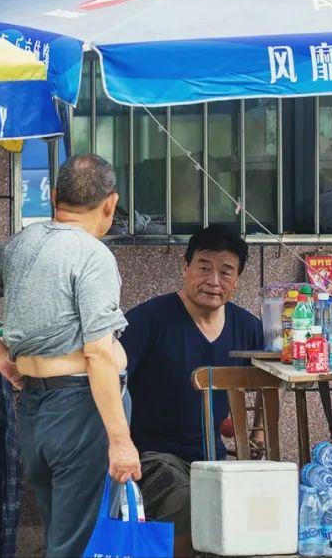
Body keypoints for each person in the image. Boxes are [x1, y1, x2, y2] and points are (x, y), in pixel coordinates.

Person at [0, 154, 140, 558]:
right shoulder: (93, 255)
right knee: (78, 544)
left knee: (59, 537)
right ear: (110, 204)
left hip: (34, 408)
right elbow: (99, 352)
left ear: (52, 197)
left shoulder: (19, 244)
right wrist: (120, 441)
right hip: (83, 409)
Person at [120, 225, 263, 557]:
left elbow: (271, 376)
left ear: (237, 279)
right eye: (203, 267)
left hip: (214, 459)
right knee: (189, 506)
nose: (213, 280)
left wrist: (253, 433)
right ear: (185, 268)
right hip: (152, 458)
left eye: (225, 272)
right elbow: (111, 378)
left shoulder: (247, 327)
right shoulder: (148, 320)